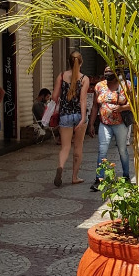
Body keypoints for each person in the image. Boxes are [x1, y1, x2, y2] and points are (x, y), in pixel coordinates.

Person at [88, 66, 131, 191]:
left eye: (110, 73)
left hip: (120, 123)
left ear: (117, 73)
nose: (107, 75)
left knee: (122, 150)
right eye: (105, 72)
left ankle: (126, 176)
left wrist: (121, 108)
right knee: (102, 150)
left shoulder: (125, 85)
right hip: (104, 123)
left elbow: (132, 103)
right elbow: (95, 106)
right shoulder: (99, 86)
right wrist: (91, 124)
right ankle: (99, 179)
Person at [52, 50, 89, 187]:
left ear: (68, 61)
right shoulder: (84, 78)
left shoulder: (61, 76)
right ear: (81, 62)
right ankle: (74, 177)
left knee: (65, 147)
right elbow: (83, 100)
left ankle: (60, 167)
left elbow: (55, 97)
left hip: (65, 115)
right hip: (79, 115)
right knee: (78, 147)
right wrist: (83, 118)